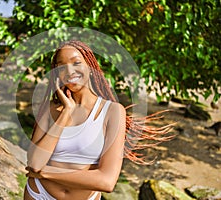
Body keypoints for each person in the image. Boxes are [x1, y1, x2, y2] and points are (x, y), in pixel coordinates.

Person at [24, 40, 173, 200]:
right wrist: (66, 112)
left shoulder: (113, 112)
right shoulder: (50, 109)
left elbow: (107, 182)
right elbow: (35, 163)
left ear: (90, 67)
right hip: (39, 194)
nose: (69, 70)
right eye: (61, 66)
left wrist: (47, 172)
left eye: (76, 63)